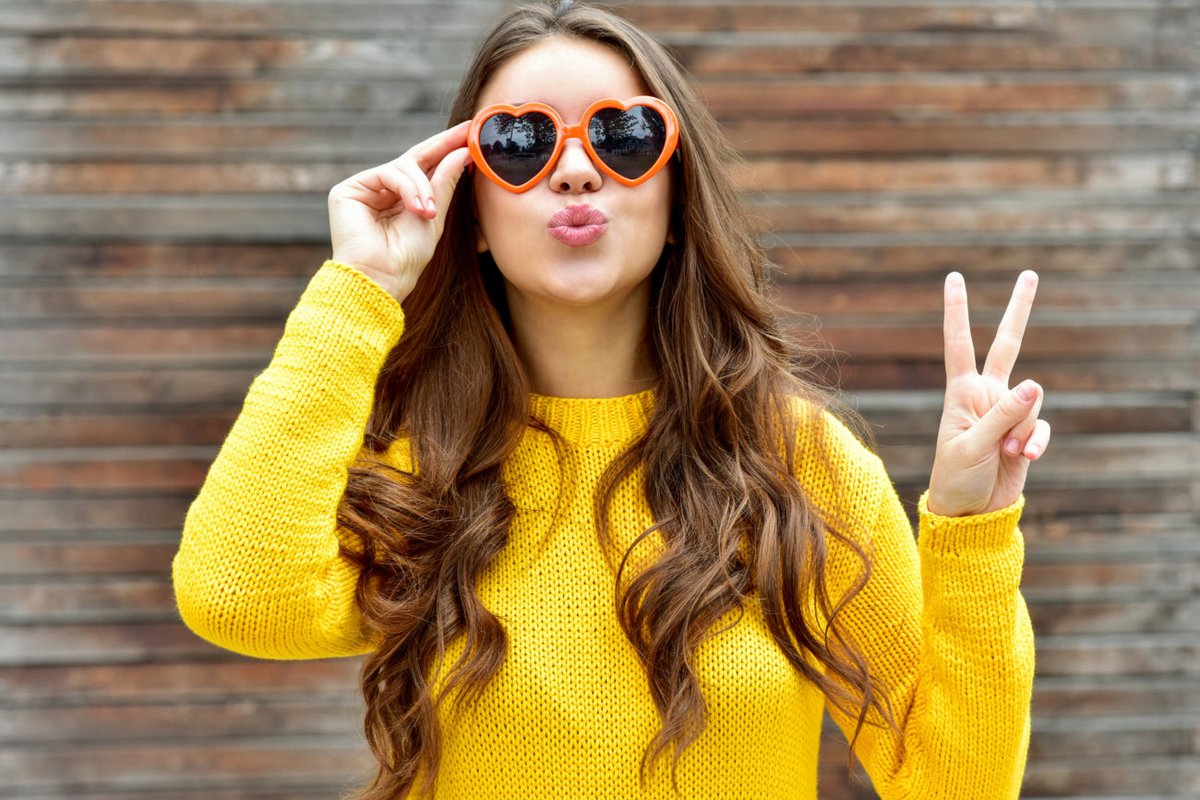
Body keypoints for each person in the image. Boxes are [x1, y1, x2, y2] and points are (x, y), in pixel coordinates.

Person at [171, 2, 1051, 798]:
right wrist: (358, 289)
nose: (577, 171)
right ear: (468, 211)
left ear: (676, 195)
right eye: (520, 143)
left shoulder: (801, 463)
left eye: (622, 136)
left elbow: (950, 786)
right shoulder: (422, 467)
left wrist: (973, 534)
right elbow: (239, 596)